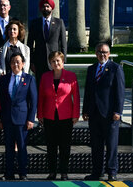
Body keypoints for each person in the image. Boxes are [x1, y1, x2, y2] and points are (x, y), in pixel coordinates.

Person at [83, 42, 125, 181]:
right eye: (100, 52)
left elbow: (120, 92)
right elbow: (88, 91)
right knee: (96, 145)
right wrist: (85, 110)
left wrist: (118, 111)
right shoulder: (91, 69)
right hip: (94, 113)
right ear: (96, 53)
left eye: (105, 52)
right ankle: (97, 172)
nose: (102, 54)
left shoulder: (115, 68)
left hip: (110, 114)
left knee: (111, 145)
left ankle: (112, 172)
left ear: (109, 53)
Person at [39, 51, 80, 180]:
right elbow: (41, 97)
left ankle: (64, 172)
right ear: (50, 63)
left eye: (58, 61)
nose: (56, 63)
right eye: (53, 61)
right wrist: (40, 114)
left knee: (64, 146)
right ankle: (52, 172)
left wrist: (75, 115)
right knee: (51, 146)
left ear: (63, 62)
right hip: (49, 115)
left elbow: (76, 97)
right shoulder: (45, 77)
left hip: (66, 116)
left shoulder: (71, 76)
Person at [0, 52, 37, 180]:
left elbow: (33, 100)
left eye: (18, 62)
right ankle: (9, 173)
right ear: (10, 64)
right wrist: (0, 117)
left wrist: (31, 119)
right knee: (8, 148)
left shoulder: (29, 79)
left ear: (23, 64)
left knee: (21, 147)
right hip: (8, 118)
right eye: (13, 62)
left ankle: (23, 173)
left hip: (22, 119)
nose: (15, 64)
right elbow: (2, 100)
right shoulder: (4, 79)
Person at [28, 0, 67, 82]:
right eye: (43, 7)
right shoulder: (35, 23)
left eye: (47, 6)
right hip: (39, 62)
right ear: (41, 9)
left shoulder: (59, 22)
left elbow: (63, 43)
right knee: (40, 86)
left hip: (55, 61)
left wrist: (63, 61)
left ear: (51, 8)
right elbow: (29, 44)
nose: (45, 8)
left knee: (55, 86)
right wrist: (31, 62)